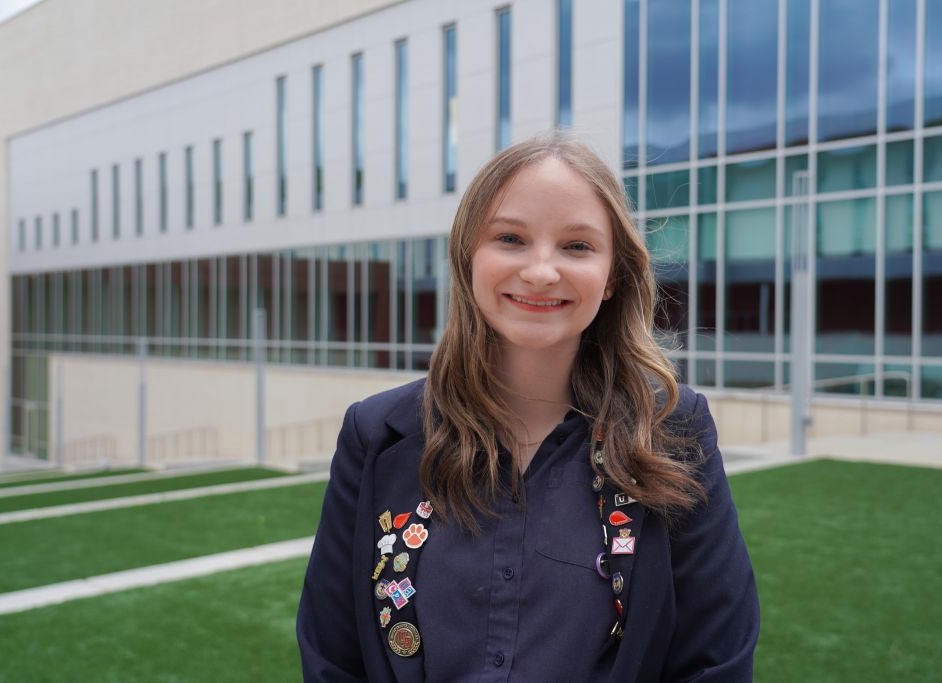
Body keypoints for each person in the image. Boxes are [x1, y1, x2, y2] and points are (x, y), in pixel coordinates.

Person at [297, 133, 759, 682]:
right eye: (511, 238)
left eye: (577, 246)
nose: (542, 271)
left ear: (613, 276)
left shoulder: (674, 430)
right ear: (469, 256)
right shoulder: (376, 433)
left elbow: (715, 661)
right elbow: (333, 656)